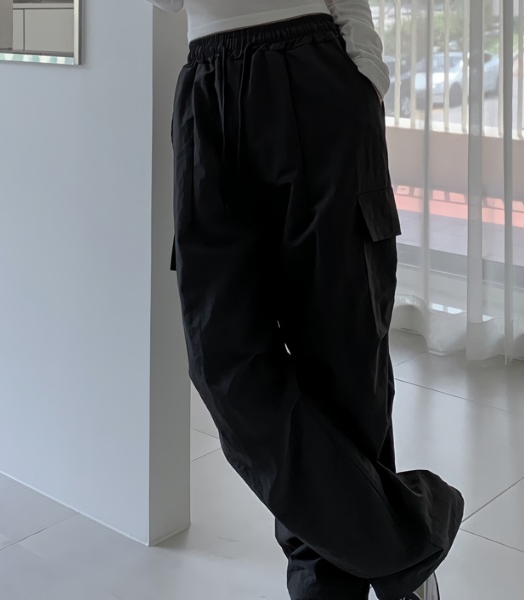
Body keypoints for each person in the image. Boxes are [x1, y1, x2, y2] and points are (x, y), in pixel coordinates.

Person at [150, 1, 465, 599]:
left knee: (343, 364)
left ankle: (346, 579)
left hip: (313, 62)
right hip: (207, 89)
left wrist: (363, 80)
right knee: (221, 360)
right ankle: (407, 542)